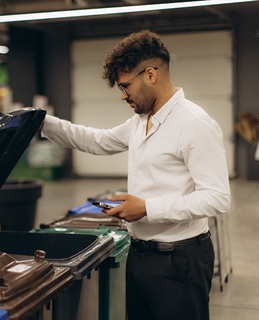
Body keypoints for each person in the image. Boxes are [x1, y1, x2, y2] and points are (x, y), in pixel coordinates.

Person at [41, 30, 231, 320]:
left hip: (179, 260)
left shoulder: (194, 124)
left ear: (151, 75)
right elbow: (98, 140)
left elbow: (217, 199)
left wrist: (145, 208)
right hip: (140, 255)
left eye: (126, 86)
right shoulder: (140, 121)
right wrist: (45, 123)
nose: (122, 95)